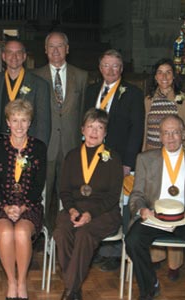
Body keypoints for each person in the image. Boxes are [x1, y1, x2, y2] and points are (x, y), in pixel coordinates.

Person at [126, 115, 185, 300]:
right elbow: (137, 195)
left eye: (175, 132)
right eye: (166, 133)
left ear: (183, 134)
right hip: (154, 216)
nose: (171, 137)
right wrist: (142, 210)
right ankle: (149, 286)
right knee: (133, 240)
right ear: (160, 136)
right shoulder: (145, 159)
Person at [84, 49, 144, 272]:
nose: (110, 70)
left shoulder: (133, 93)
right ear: (100, 67)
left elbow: (137, 130)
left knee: (116, 202)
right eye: (106, 65)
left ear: (121, 69)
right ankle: (97, 248)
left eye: (115, 66)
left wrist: (128, 162)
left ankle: (115, 251)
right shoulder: (91, 91)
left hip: (118, 158)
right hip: (92, 157)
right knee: (94, 199)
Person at [53, 109, 123, 300]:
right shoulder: (72, 156)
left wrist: (90, 213)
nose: (94, 131)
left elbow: (113, 196)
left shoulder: (113, 158)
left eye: (99, 127)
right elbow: (64, 190)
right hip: (74, 208)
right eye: (90, 126)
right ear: (82, 129)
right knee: (61, 232)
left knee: (84, 234)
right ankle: (74, 287)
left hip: (104, 212)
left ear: (105, 133)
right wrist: (72, 209)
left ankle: (70, 290)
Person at [144, 58, 185, 281]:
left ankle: (174, 263)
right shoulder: (148, 100)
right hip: (152, 159)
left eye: (169, 72)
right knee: (154, 206)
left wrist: (183, 156)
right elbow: (144, 130)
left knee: (174, 207)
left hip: (177, 162)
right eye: (160, 72)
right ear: (155, 76)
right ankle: (155, 257)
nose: (164, 77)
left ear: (174, 76)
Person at [0, 100, 47, 300]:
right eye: (15, 120)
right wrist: (6, 207)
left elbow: (39, 184)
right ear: (8, 122)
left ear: (30, 123)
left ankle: (21, 282)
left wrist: (22, 208)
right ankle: (11, 282)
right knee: (5, 233)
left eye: (24, 120)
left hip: (30, 206)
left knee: (21, 232)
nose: (19, 125)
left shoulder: (39, 147)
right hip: (1, 205)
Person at [33, 31, 88, 232]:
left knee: (69, 194)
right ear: (45, 50)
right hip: (45, 145)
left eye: (60, 46)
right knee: (42, 194)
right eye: (51, 46)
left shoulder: (81, 76)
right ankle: (42, 233)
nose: (56, 51)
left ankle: (65, 233)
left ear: (67, 49)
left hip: (71, 146)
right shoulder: (35, 76)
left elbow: (83, 112)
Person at [0, 39, 51, 147]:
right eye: (10, 52)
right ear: (3, 56)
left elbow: (43, 124)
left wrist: (39, 148)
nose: (14, 56)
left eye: (18, 53)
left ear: (24, 56)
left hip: (27, 143)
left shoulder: (39, 84)